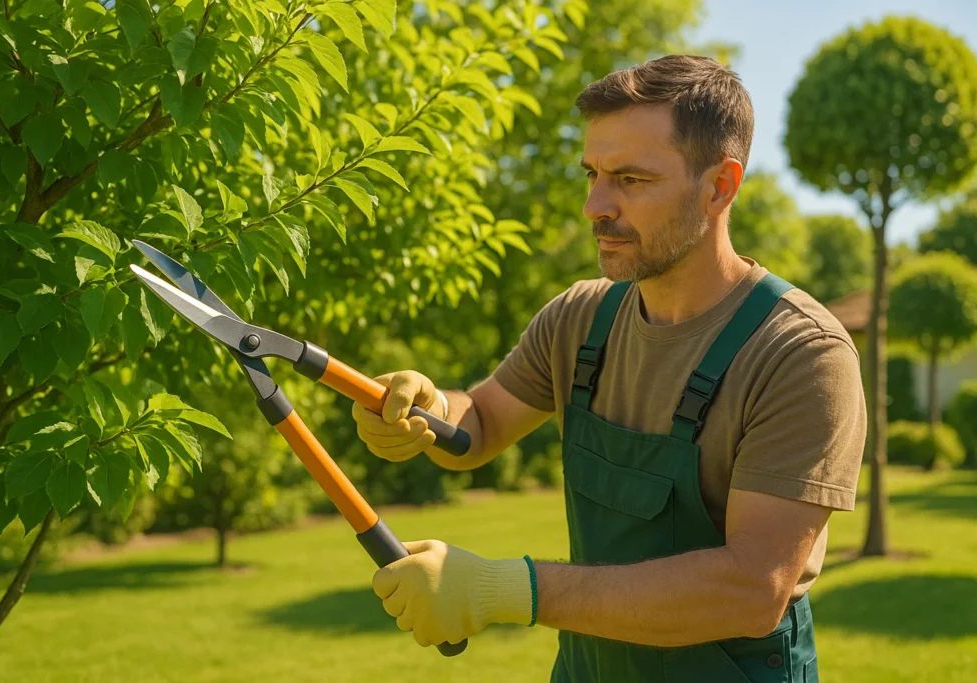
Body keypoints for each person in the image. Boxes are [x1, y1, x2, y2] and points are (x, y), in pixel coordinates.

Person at [353, 54, 867, 682]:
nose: (595, 205)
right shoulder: (581, 317)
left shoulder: (800, 353)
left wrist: (504, 588)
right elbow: (480, 422)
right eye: (593, 174)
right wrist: (429, 410)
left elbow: (752, 589)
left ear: (719, 187)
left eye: (630, 179)